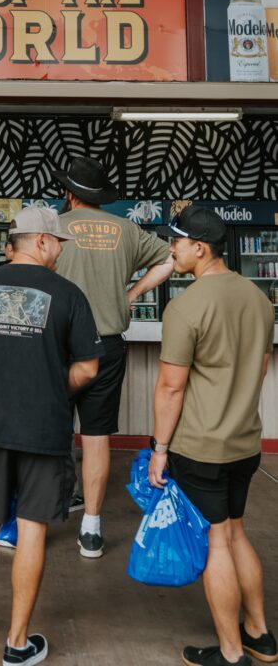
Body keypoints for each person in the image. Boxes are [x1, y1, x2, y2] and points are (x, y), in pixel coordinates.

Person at [0, 205, 103, 666]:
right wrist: (53, 384)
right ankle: (16, 644)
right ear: (44, 242)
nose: (60, 253)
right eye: (58, 245)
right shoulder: (70, 295)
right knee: (32, 524)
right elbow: (89, 366)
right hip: (45, 428)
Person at [148, 206, 276, 666]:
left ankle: (229, 652)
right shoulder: (259, 300)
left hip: (201, 446)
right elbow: (259, 369)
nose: (172, 250)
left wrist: (159, 450)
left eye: (177, 243)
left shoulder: (186, 305)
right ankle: (260, 635)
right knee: (237, 534)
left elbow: (171, 387)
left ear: (199, 248)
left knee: (217, 542)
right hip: (245, 444)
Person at [53, 156, 173, 558]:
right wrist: (133, 294)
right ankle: (91, 528)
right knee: (97, 433)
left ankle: (40, 511)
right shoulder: (127, 229)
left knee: (50, 426)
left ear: (70, 194)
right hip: (107, 344)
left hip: (57, 344)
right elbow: (171, 258)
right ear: (100, 197)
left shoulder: (53, 227)